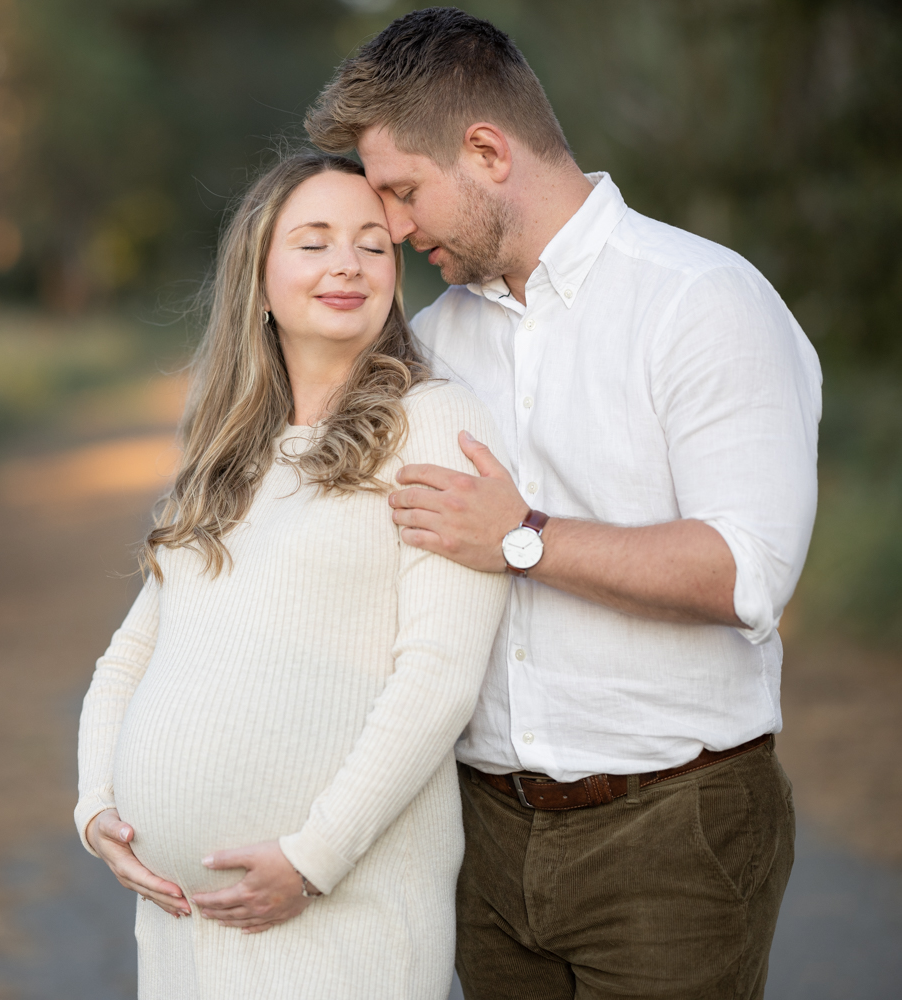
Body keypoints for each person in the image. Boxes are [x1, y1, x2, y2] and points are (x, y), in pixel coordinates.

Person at [304, 8, 822, 1000]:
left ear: (487, 150)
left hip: (672, 832)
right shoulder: (436, 338)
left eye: (405, 193)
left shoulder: (702, 300)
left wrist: (524, 537)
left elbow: (747, 571)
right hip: (480, 836)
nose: (398, 231)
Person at [74, 151, 508, 999]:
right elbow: (128, 660)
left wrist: (312, 862)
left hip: (338, 921)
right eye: (314, 243)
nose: (347, 263)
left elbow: (439, 679)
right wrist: (96, 810)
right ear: (260, 279)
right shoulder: (226, 454)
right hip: (182, 930)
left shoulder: (431, 422)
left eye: (372, 245)